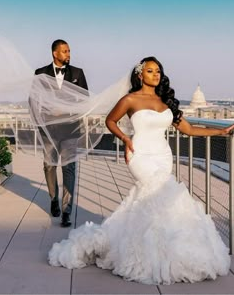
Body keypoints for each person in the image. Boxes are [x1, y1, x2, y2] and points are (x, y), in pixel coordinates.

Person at [48, 56, 234, 284]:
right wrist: (126, 140)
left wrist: (221, 133)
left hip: (164, 156)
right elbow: (110, 121)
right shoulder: (130, 99)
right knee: (155, 196)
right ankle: (148, 258)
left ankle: (169, 252)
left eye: (158, 71)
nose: (155, 74)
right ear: (140, 75)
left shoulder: (166, 101)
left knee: (159, 202)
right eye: (150, 71)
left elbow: (188, 129)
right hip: (140, 155)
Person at [34, 39, 88, 227]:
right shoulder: (40, 73)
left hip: (71, 128)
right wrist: (40, 123)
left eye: (69, 51)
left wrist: (66, 111)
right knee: (49, 166)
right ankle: (53, 199)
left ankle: (67, 210)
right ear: (55, 53)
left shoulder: (78, 73)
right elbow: (34, 100)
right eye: (64, 51)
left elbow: (84, 99)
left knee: (69, 168)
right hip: (48, 129)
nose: (68, 54)